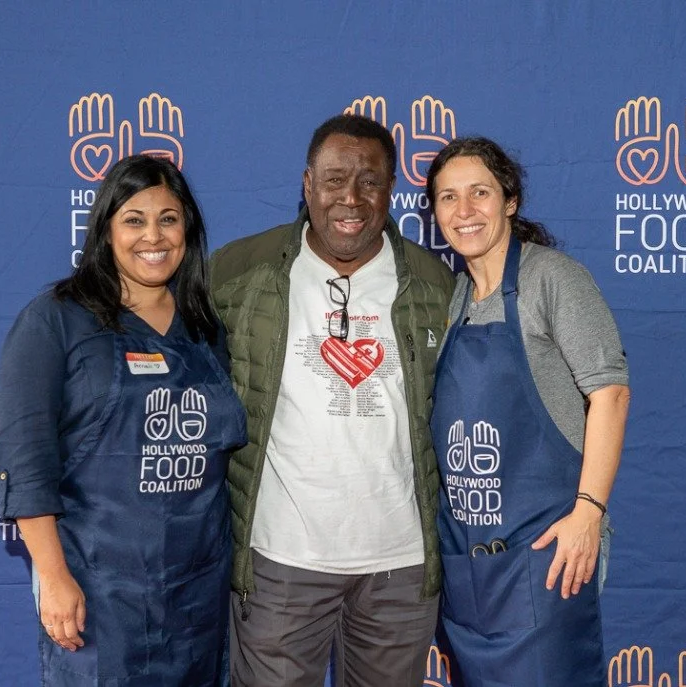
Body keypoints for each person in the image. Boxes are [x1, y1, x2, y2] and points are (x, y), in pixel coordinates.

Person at [210, 114, 454, 687]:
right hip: (280, 562)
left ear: (391, 189)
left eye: (370, 181)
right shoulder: (237, 273)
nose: (351, 198)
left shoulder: (435, 283)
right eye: (334, 179)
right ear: (307, 184)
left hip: (400, 567)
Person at [0, 155, 246, 686]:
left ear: (187, 230)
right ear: (106, 230)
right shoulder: (56, 320)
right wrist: (53, 577)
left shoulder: (204, 326)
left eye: (168, 219)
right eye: (134, 219)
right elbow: (27, 460)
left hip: (198, 591)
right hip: (99, 590)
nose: (153, 236)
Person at [425, 137, 630, 686]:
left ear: (510, 200)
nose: (464, 211)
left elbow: (610, 393)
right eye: (448, 197)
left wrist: (589, 513)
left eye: (480, 193)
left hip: (547, 557)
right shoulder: (456, 298)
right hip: (471, 568)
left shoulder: (552, 279)